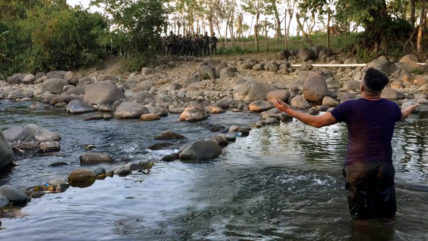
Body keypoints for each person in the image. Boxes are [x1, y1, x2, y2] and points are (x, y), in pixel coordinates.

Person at [272, 68, 419, 222]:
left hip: (358, 168)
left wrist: (289, 110)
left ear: (362, 87)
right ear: (382, 89)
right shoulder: (391, 107)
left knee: (361, 219)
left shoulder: (349, 107)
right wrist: (409, 108)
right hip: (385, 168)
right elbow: (401, 116)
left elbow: (317, 122)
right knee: (388, 216)